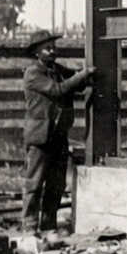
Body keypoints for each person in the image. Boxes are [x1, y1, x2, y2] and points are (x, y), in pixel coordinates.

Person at [20, 29, 93, 235]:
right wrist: (82, 76)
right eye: (47, 48)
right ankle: (29, 226)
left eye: (54, 47)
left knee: (56, 184)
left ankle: (49, 224)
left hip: (58, 136)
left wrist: (85, 76)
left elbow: (74, 83)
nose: (53, 51)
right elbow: (58, 90)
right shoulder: (33, 73)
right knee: (34, 183)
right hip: (40, 136)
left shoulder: (57, 70)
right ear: (36, 52)